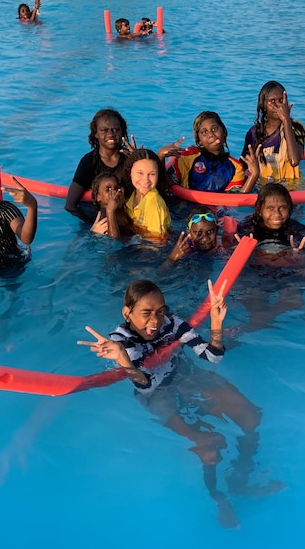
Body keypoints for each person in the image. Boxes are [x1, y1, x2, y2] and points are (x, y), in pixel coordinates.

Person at [78, 279, 281, 528]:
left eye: (160, 311)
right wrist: (123, 360)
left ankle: (241, 480)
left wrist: (216, 323)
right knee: (209, 448)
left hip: (187, 375)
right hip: (156, 395)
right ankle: (218, 498)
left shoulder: (172, 323)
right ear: (126, 313)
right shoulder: (120, 342)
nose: (155, 320)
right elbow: (146, 386)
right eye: (146, 313)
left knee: (251, 417)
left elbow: (212, 357)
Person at [170, 111, 260, 194]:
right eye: (204, 132)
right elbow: (167, 184)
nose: (211, 135)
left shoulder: (236, 167)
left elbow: (236, 199)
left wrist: (254, 175)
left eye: (214, 129)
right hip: (186, 206)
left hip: (217, 209)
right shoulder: (186, 157)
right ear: (199, 140)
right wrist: (161, 155)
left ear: (224, 132)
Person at [65, 108, 131, 221]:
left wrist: (138, 159)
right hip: (99, 218)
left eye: (116, 129)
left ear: (122, 132)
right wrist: (93, 225)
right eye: (104, 130)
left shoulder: (130, 159)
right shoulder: (88, 162)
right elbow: (70, 205)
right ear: (95, 133)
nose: (111, 134)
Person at [241, 81, 305, 183]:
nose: (278, 106)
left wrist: (286, 121)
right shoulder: (254, 133)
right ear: (263, 105)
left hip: (291, 188)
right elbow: (242, 166)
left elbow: (294, 160)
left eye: (281, 100)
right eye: (272, 101)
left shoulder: (297, 128)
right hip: (263, 187)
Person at [124, 148, 171, 242]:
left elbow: (158, 242)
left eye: (152, 174)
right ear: (130, 173)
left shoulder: (155, 206)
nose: (146, 180)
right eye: (140, 173)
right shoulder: (130, 195)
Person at [89, 172, 133, 239]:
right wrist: (110, 211)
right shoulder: (103, 219)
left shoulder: (121, 209)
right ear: (98, 197)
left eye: (116, 188)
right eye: (108, 189)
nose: (114, 192)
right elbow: (113, 242)